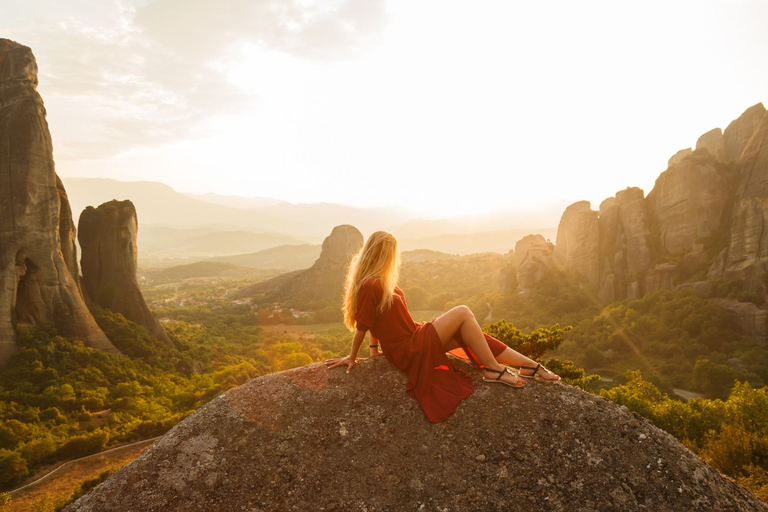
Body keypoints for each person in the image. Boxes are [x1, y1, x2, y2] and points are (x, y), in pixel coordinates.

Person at [324, 231, 560, 423]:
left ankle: (530, 366)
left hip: (414, 336)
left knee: (471, 333)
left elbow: (377, 321)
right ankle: (493, 369)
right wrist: (352, 357)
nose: (392, 259)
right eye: (390, 253)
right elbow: (364, 325)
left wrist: (375, 352)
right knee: (464, 312)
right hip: (408, 347)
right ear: (381, 253)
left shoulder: (380, 282)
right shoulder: (369, 284)